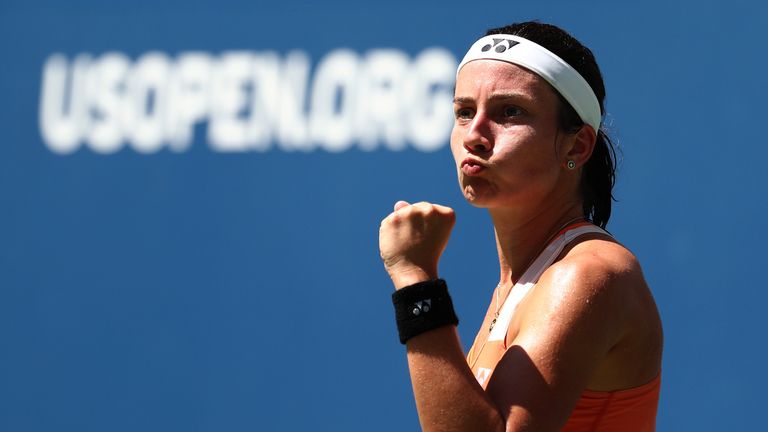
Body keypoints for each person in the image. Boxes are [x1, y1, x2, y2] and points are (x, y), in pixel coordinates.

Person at [378, 22, 663, 431]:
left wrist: (416, 280)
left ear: (576, 146)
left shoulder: (586, 273)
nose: (474, 134)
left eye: (510, 112)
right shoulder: (521, 284)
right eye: (463, 112)